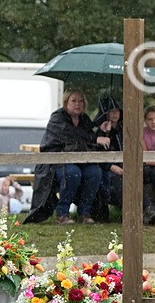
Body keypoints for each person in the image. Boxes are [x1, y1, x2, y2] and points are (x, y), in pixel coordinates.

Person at [39, 89, 108, 224]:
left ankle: (84, 213)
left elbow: (89, 136)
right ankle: (62, 214)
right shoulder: (57, 118)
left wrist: (102, 129)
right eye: (74, 101)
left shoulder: (84, 119)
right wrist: (94, 138)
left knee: (95, 173)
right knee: (72, 173)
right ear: (66, 103)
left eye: (80, 101)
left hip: (82, 162)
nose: (77, 104)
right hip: (57, 163)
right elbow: (72, 134)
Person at [93, 95, 124, 209]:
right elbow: (97, 154)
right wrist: (110, 166)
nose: (115, 114)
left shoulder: (125, 129)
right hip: (107, 169)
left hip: (124, 164)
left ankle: (146, 210)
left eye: (117, 111)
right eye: (111, 111)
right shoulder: (99, 132)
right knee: (113, 181)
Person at [142, 105, 155, 225]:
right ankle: (149, 209)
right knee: (146, 172)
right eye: (150, 119)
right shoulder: (142, 133)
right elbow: (144, 156)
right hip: (147, 165)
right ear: (145, 120)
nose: (153, 122)